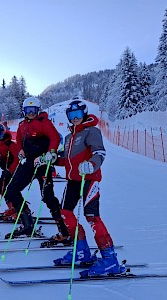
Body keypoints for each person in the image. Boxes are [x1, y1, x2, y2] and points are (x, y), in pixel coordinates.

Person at [52, 98, 125, 276]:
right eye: (71, 115)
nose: (75, 118)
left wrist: (92, 164)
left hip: (89, 179)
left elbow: (99, 152)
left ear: (84, 114)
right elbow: (67, 160)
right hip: (73, 181)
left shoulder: (91, 131)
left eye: (78, 114)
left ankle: (110, 259)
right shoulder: (69, 137)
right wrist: (55, 159)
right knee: (66, 213)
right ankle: (81, 250)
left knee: (92, 216)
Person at [3, 97, 70, 239]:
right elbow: (19, 140)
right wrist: (20, 150)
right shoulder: (22, 125)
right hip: (28, 163)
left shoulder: (43, 122)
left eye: (33, 110)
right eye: (28, 110)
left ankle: (64, 230)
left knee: (48, 197)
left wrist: (51, 152)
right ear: (24, 111)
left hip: (42, 163)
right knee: (11, 190)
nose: (31, 113)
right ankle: (27, 224)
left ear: (38, 110)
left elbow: (55, 137)